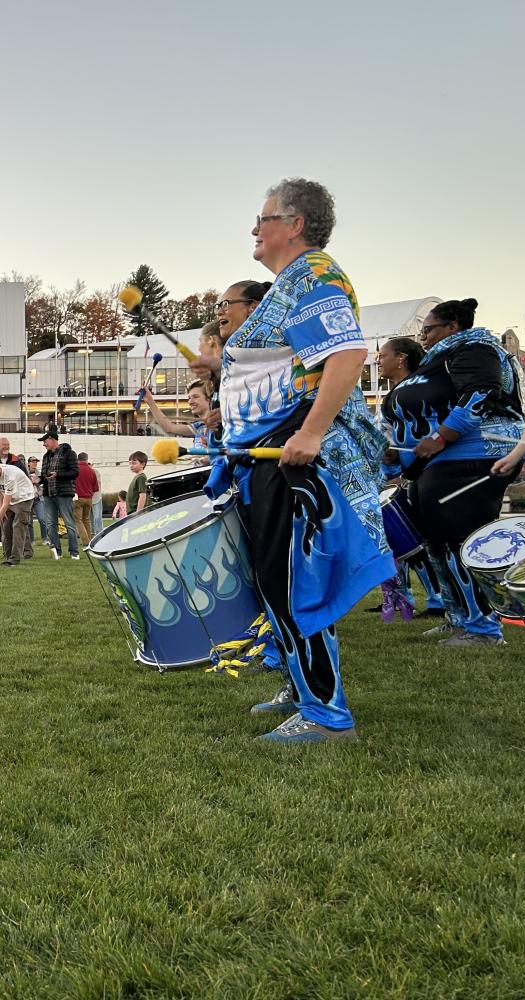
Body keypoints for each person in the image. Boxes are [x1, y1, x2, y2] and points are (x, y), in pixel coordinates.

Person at [190, 178, 393, 743]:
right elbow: (282, 362)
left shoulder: (316, 274)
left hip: (289, 458)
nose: (254, 230)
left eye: (263, 218)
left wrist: (311, 431)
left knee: (291, 582)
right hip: (263, 459)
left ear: (295, 224)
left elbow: (346, 353)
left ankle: (328, 715)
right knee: (273, 581)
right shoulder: (289, 286)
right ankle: (306, 691)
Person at [384, 299, 525, 646]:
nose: (423, 337)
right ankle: (459, 615)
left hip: (476, 452)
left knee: (459, 536)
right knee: (436, 539)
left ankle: (483, 626)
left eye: (428, 330)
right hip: (445, 457)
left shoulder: (474, 348)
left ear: (452, 326)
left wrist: (440, 436)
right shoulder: (443, 357)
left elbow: (480, 393)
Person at [371, 336, 446, 620]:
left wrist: (403, 470)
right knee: (393, 541)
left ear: (401, 358)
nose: (378, 360)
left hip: (415, 473)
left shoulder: (418, 392)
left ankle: (438, 599)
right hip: (391, 472)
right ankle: (402, 597)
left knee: (416, 542)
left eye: (383, 355)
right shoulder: (395, 393)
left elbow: (422, 434)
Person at [142, 381, 219, 460]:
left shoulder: (221, 425)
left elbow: (228, 454)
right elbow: (169, 427)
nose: (190, 402)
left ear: (209, 399)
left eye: (195, 397)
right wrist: (149, 400)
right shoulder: (198, 426)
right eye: (189, 398)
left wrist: (211, 458)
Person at [0, 456, 36, 566]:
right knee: (6, 527)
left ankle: (15, 559)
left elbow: (7, 502)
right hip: (11, 499)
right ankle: (7, 555)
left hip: (24, 498)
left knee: (18, 526)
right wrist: (1, 512)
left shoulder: (10, 475)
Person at [38, 427, 79, 560]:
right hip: (48, 494)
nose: (43, 444)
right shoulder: (46, 456)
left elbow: (75, 472)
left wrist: (58, 475)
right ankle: (57, 553)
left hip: (64, 494)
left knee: (69, 523)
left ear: (52, 439)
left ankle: (74, 552)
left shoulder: (69, 453)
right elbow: (45, 476)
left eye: (45, 441)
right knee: (50, 524)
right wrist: (39, 479)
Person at [74, 452, 101, 543]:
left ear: (78, 459)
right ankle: (90, 540)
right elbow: (96, 488)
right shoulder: (91, 471)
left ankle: (85, 541)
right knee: (87, 519)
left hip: (78, 498)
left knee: (78, 520)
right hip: (89, 499)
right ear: (86, 459)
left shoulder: (75, 470)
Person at [24, 457, 45, 542]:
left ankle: (45, 538)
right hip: (28, 499)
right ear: (28, 463)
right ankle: (31, 540)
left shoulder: (40, 474)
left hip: (38, 499)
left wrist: (37, 485)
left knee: (42, 519)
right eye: (33, 462)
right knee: (29, 522)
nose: (35, 464)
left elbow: (44, 487)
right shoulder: (24, 474)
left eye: (36, 462)